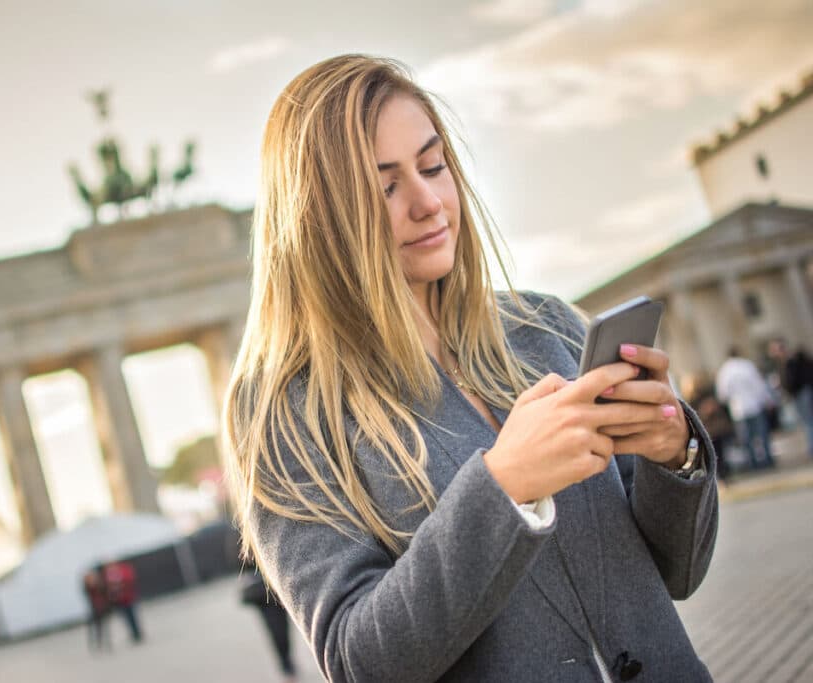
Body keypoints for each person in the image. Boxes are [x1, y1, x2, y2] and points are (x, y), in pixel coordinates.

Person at [222, 55, 718, 682]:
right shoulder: (287, 416)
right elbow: (358, 662)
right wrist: (504, 487)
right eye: (385, 186)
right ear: (318, 217)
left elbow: (678, 573)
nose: (429, 202)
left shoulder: (547, 328)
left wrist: (673, 457)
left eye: (433, 167)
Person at [716, 346, 775, 470]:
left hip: (739, 409)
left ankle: (753, 462)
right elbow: (758, 384)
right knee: (762, 433)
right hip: (754, 405)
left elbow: (723, 394)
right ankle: (768, 458)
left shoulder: (725, 371)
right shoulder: (747, 366)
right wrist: (767, 400)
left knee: (746, 438)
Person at [240, 563, 297, 683]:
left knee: (283, 629)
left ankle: (287, 661)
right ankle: (286, 665)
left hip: (277, 585)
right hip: (261, 592)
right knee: (275, 631)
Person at [768, 338, 813, 456]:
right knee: (806, 421)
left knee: (808, 421)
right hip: (798, 393)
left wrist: (786, 387)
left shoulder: (792, 360)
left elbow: (795, 379)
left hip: (801, 393)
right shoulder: (784, 362)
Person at [103, 560, 143, 644]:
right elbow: (108, 588)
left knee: (133, 616)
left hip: (128, 597)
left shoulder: (123, 570)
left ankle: (138, 633)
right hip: (119, 600)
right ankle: (133, 634)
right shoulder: (108, 575)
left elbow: (130, 580)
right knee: (125, 618)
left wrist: (120, 586)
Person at [82, 567, 111, 652]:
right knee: (96, 628)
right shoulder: (87, 587)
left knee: (105, 626)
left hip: (103, 607)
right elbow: (89, 597)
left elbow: (105, 594)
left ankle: (106, 643)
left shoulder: (100, 585)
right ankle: (97, 644)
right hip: (95, 609)